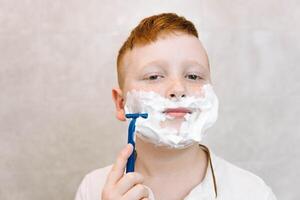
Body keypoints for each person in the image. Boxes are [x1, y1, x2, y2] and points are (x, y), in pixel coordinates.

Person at [75, 13, 277, 200]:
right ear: (121, 104)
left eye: (193, 76)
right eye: (154, 76)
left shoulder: (253, 192)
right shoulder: (93, 187)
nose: (178, 89)